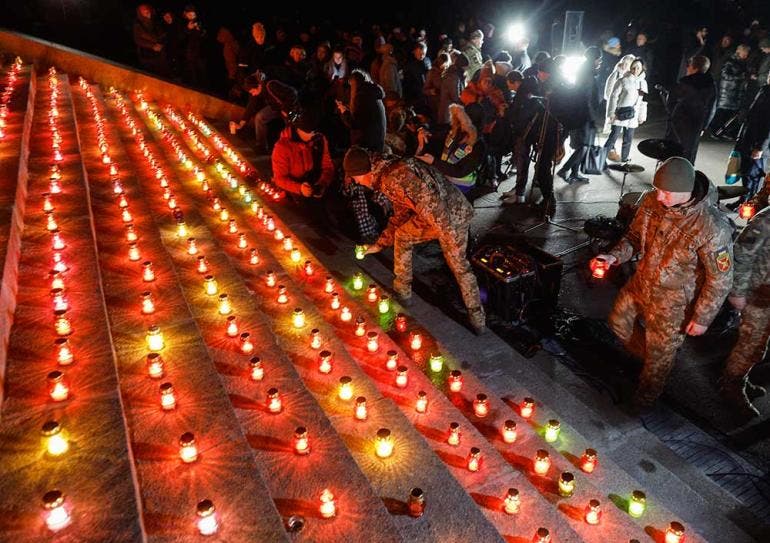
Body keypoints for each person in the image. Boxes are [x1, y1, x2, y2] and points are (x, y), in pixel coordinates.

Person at [593, 157, 733, 409]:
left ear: (686, 190)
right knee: (618, 323)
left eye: (666, 193)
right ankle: (654, 360)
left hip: (674, 303)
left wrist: (702, 317)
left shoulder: (712, 227)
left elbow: (720, 277)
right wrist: (614, 255)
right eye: (658, 190)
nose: (659, 198)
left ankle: (646, 397)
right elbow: (634, 236)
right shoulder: (650, 202)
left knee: (659, 356)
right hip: (641, 282)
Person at [343, 146, 486, 334]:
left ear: (364, 171)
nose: (357, 183)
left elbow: (434, 209)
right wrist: (380, 244)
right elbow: (401, 214)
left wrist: (448, 242)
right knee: (404, 235)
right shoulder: (386, 172)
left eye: (356, 178)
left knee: (458, 265)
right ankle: (403, 293)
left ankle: (477, 319)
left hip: (450, 216)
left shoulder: (396, 176)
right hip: (443, 213)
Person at [719, 206, 770, 418]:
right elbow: (740, 255)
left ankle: (740, 377)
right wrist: (737, 292)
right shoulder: (766, 220)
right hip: (758, 298)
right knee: (751, 346)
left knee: (759, 347)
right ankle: (731, 385)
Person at [557, 46, 603, 183]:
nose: (599, 62)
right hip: (584, 116)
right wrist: (592, 118)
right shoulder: (588, 75)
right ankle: (566, 169)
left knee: (581, 146)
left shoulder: (584, 72)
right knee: (584, 146)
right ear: (594, 58)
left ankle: (574, 173)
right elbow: (587, 99)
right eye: (599, 59)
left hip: (579, 115)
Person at [415, 103, 486, 193]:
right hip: (444, 178)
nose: (461, 123)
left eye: (464, 120)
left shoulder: (479, 146)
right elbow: (434, 130)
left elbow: (460, 171)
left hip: (462, 188)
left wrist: (434, 161)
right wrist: (422, 129)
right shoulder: (455, 130)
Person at [664, 55, 716, 164]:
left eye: (689, 65)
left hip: (679, 123)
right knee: (689, 152)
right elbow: (712, 108)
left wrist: (672, 117)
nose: (687, 68)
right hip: (697, 124)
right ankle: (686, 176)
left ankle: (668, 176)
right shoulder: (711, 85)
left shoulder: (685, 83)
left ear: (694, 67)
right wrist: (704, 126)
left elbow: (671, 103)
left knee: (673, 151)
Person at [271, 109, 334, 198]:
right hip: (295, 188)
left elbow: (327, 166)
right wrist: (299, 188)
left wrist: (322, 183)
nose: (314, 135)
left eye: (315, 132)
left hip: (316, 182)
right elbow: (279, 178)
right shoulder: (282, 147)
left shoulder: (319, 140)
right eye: (311, 132)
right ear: (299, 130)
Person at [728, 73, 770, 207]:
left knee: (753, 176)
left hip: (759, 143)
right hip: (749, 138)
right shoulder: (765, 90)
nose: (768, 75)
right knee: (746, 172)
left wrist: (761, 147)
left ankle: (751, 205)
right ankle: (744, 200)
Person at [603, 58, 648, 164]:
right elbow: (613, 97)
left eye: (638, 68)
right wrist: (611, 113)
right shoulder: (622, 80)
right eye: (634, 67)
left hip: (633, 116)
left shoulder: (643, 83)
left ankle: (624, 159)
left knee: (628, 139)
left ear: (642, 69)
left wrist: (642, 116)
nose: (636, 69)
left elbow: (643, 101)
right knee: (613, 136)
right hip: (620, 114)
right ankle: (601, 157)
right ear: (631, 67)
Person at [337, 69, 386, 152]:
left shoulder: (361, 97)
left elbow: (355, 123)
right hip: (377, 140)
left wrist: (343, 111)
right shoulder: (372, 92)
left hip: (368, 144)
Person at [709, 44, 751, 139]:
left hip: (736, 93)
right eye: (745, 52)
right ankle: (715, 131)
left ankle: (726, 132)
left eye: (747, 53)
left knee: (731, 115)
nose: (746, 55)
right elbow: (725, 75)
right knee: (722, 113)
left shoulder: (743, 63)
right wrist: (740, 77)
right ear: (739, 51)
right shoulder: (730, 61)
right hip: (727, 93)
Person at [133, 4, 167, 76]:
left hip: (160, 54)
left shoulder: (156, 21)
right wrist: (152, 46)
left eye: (147, 9)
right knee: (151, 74)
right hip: (146, 55)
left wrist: (161, 43)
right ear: (140, 13)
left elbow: (163, 34)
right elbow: (138, 40)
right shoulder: (138, 24)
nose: (146, 11)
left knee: (162, 73)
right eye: (143, 10)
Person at [438, 52, 469, 124]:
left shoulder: (458, 75)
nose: (466, 70)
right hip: (448, 112)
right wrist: (465, 104)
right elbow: (455, 96)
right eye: (465, 67)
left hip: (452, 110)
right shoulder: (453, 77)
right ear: (461, 66)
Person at [181, 4, 207, 87]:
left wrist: (201, 31)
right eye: (190, 15)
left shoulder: (200, 22)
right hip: (188, 55)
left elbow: (206, 37)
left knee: (202, 73)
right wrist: (188, 29)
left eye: (193, 14)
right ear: (185, 14)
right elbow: (180, 38)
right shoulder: (182, 23)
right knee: (192, 74)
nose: (192, 16)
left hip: (201, 53)